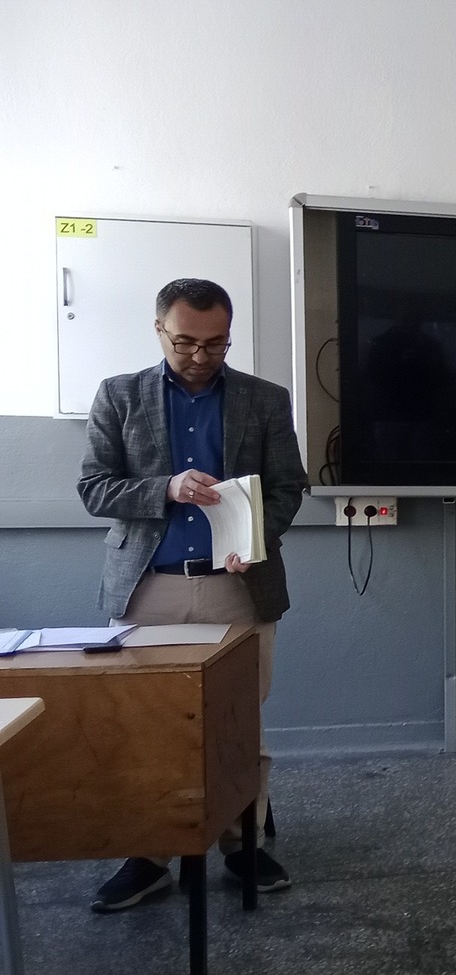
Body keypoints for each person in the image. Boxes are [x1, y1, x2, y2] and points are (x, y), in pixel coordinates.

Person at [76, 278, 310, 912]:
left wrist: (254, 537)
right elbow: (94, 487)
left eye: (216, 343)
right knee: (145, 725)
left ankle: (241, 845)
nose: (201, 356)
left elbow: (288, 487)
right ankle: (149, 855)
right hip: (148, 589)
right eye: (186, 343)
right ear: (160, 331)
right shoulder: (119, 395)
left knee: (240, 725)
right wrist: (166, 488)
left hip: (238, 587)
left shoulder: (265, 399)